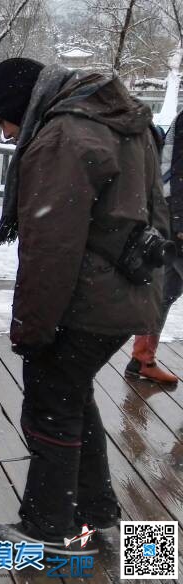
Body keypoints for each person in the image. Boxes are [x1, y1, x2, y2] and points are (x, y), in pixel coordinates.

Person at [0, 58, 167, 553]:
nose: (7, 132)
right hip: (128, 290)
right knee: (74, 399)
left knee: (50, 407)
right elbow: (157, 212)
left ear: (22, 105)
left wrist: (31, 330)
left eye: (1, 119)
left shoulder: (64, 136)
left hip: (85, 300)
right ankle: (102, 521)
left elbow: (50, 249)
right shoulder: (126, 122)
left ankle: (46, 530)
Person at [124, 109, 183, 385]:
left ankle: (142, 360)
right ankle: (142, 359)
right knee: (163, 292)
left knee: (164, 292)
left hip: (174, 216)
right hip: (178, 218)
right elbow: (179, 171)